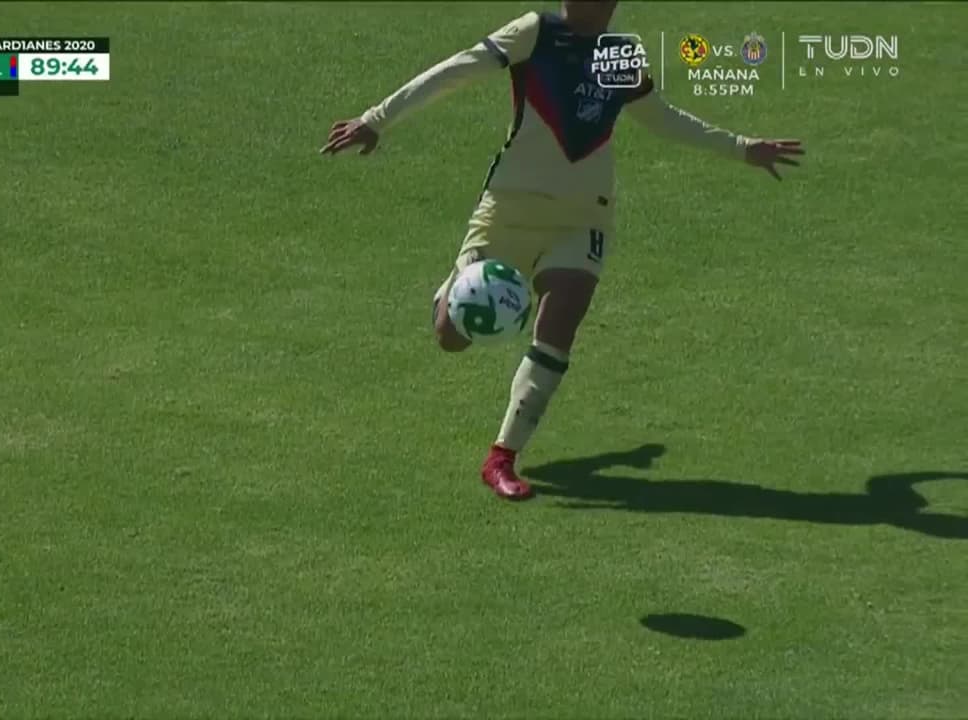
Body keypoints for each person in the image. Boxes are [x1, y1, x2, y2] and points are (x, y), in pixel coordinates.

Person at [321, 0, 804, 501]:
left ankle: (502, 457)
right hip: (509, 210)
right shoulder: (535, 32)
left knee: (558, 326)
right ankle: (450, 292)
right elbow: (458, 69)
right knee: (451, 335)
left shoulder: (622, 53)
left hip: (583, 217)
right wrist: (376, 119)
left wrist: (741, 147)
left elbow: (659, 117)